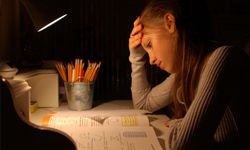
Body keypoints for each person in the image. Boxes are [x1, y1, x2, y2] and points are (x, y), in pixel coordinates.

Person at [128, 0, 250, 149]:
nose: (151, 60)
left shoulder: (222, 58)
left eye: (149, 45)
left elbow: (181, 145)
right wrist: (136, 56)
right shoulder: (189, 70)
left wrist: (180, 123)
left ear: (170, 22)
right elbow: (143, 104)